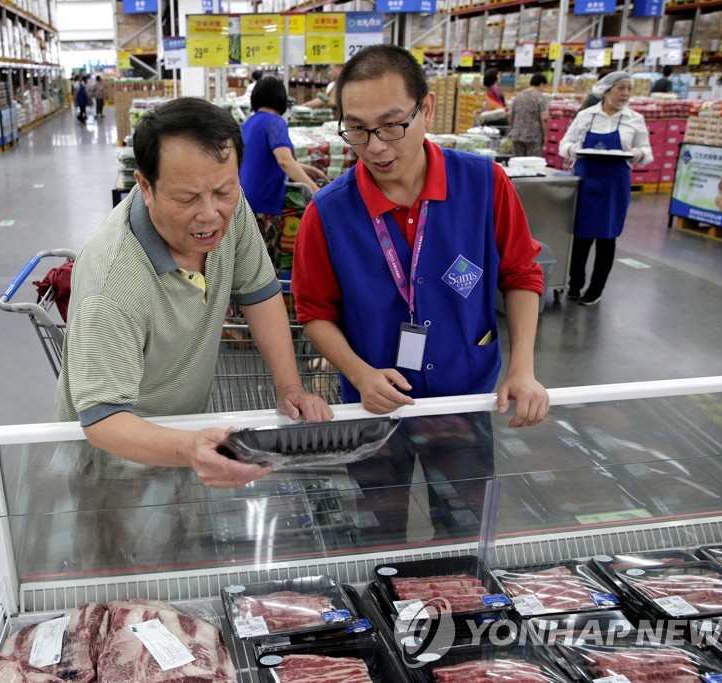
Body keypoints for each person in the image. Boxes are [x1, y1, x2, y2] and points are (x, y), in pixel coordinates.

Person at [55, 97, 333, 570]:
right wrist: (189, 449)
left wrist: (289, 385)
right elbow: (102, 422)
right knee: (124, 579)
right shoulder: (113, 282)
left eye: (223, 192)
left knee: (179, 563)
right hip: (117, 455)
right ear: (145, 185)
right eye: (186, 199)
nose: (210, 215)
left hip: (185, 435)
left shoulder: (228, 203)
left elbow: (261, 292)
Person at [292, 44, 549, 427]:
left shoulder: (484, 184)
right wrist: (360, 374)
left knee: (463, 486)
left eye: (392, 125)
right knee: (380, 489)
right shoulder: (327, 213)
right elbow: (314, 311)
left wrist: (522, 369)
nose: (376, 147)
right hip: (374, 402)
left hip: (465, 392)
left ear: (426, 109)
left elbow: (521, 274)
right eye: (358, 129)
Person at [558, 71, 652, 306]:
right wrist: (572, 151)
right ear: (606, 89)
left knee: (607, 238)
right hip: (586, 182)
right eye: (621, 88)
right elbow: (564, 144)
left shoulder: (634, 119)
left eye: (629, 89)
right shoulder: (586, 116)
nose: (626, 94)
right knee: (581, 237)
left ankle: (595, 289)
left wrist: (637, 154)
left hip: (614, 184)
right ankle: (574, 284)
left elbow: (647, 152)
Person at [240, 76, 326, 270]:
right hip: (265, 205)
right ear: (281, 98)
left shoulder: (250, 123)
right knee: (265, 269)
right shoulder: (275, 123)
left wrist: (308, 169)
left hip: (246, 203)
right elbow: (284, 161)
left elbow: (268, 158)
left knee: (248, 266)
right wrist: (314, 190)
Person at [508, 73, 550, 158]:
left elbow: (510, 114)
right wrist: (545, 135)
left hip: (517, 135)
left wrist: (513, 128)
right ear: (541, 84)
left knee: (518, 163)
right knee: (532, 163)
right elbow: (545, 118)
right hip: (533, 136)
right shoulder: (540, 97)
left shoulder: (518, 96)